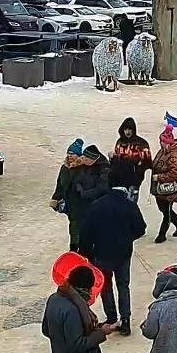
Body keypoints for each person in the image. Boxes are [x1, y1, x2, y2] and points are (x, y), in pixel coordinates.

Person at [79, 166, 147, 334]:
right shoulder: (129, 205)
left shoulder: (97, 206)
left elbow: (86, 232)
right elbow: (141, 228)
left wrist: (86, 253)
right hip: (124, 253)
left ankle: (111, 319)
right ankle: (125, 321)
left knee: (106, 286)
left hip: (102, 254)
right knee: (123, 285)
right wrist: (127, 238)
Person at [150, 125, 177, 244]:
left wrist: (159, 177)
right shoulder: (162, 151)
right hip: (159, 187)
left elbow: (174, 174)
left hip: (169, 187)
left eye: (161, 142)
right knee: (164, 209)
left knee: (167, 211)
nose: (160, 144)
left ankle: (162, 234)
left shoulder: (174, 156)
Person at [68, 146, 111, 247]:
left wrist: (84, 193)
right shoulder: (84, 166)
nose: (83, 159)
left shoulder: (105, 169)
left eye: (86, 158)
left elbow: (102, 189)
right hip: (82, 207)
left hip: (96, 206)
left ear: (93, 159)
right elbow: (75, 180)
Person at [51, 139, 85, 249]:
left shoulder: (83, 168)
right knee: (73, 227)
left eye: (73, 154)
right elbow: (59, 185)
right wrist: (55, 198)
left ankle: (76, 249)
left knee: (78, 228)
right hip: (69, 203)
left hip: (81, 203)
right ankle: (75, 248)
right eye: (68, 153)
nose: (70, 156)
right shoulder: (64, 168)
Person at [112, 118, 152, 204]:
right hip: (120, 181)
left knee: (131, 205)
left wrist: (137, 173)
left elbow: (147, 163)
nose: (128, 132)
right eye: (126, 129)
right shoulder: (119, 142)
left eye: (130, 129)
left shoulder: (142, 144)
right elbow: (116, 161)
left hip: (134, 181)